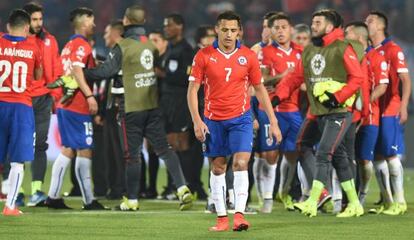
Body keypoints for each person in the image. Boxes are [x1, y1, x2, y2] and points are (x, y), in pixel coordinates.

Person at [82, 5, 193, 211]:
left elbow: (104, 72)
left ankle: (131, 200)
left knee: (132, 155)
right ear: (142, 22)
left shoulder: (122, 46)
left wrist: (81, 72)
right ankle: (182, 188)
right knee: (164, 149)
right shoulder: (151, 45)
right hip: (152, 106)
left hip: (131, 108)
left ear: (126, 21)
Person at [188, 11, 282, 231]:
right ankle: (221, 219)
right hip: (213, 120)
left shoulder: (248, 56)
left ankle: (239, 215)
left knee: (241, 163)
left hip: (241, 119)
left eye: (233, 30)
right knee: (218, 168)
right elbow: (192, 90)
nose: (229, 34)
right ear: (216, 30)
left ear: (239, 31)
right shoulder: (203, 55)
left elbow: (259, 89)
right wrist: (197, 121)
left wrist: (273, 120)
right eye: (224, 30)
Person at [273, 9, 365, 217]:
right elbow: (295, 77)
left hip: (339, 112)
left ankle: (312, 201)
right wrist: (278, 96)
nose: (313, 25)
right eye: (312, 22)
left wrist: (337, 97)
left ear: (330, 27)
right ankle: (354, 203)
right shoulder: (309, 51)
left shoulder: (343, 48)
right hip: (317, 112)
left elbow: (357, 78)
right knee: (307, 146)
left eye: (317, 22)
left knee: (324, 153)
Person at [45, 7, 107, 210]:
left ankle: (53, 196)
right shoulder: (82, 44)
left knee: (69, 149)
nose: (94, 25)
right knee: (84, 149)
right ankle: (89, 201)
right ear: (83, 23)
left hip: (65, 104)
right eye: (91, 21)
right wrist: (90, 95)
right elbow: (77, 70)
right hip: (77, 106)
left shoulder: (68, 45)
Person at [366, 11, 411, 215]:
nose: (367, 23)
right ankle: (387, 200)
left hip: (390, 107)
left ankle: (400, 202)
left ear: (381, 26)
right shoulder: (370, 51)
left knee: (391, 154)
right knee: (377, 155)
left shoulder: (393, 49)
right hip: (374, 109)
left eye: (371, 21)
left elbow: (405, 80)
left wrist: (403, 106)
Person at [0, 9, 42, 216]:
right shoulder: (33, 47)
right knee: (17, 160)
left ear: (8, 26)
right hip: (21, 108)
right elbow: (38, 74)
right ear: (27, 28)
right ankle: (10, 207)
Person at [344, 21, 389, 206]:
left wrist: (364, 103)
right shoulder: (348, 56)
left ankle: (362, 196)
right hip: (349, 114)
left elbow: (382, 86)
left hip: (369, 116)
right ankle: (346, 199)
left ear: (359, 37)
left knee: (364, 159)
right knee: (348, 157)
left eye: (348, 33)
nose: (345, 36)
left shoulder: (376, 57)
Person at [160, 13, 195, 197]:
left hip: (180, 102)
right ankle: (173, 186)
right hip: (167, 103)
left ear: (179, 26)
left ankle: (188, 185)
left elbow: (187, 78)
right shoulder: (169, 49)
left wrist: (163, 74)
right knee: (170, 145)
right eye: (165, 25)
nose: (166, 28)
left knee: (182, 143)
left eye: (169, 25)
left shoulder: (186, 50)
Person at [100, 20, 125, 200]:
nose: (104, 36)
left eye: (107, 33)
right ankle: (115, 187)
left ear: (116, 34)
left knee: (121, 151)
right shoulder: (113, 54)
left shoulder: (121, 53)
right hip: (110, 109)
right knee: (112, 152)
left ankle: (123, 188)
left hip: (120, 108)